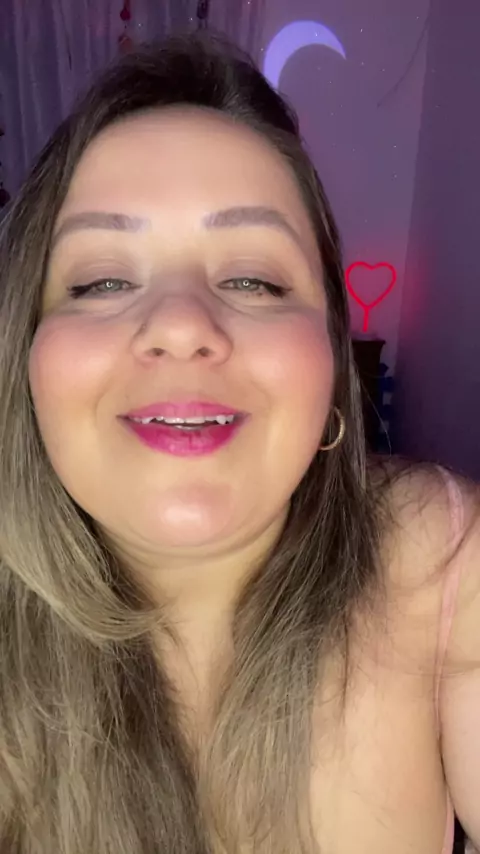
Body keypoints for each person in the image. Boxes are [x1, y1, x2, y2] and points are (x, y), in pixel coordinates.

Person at [0, 33, 478, 854]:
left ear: (330, 363)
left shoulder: (443, 566)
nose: (183, 325)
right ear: (27, 360)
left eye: (253, 279)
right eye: (102, 280)